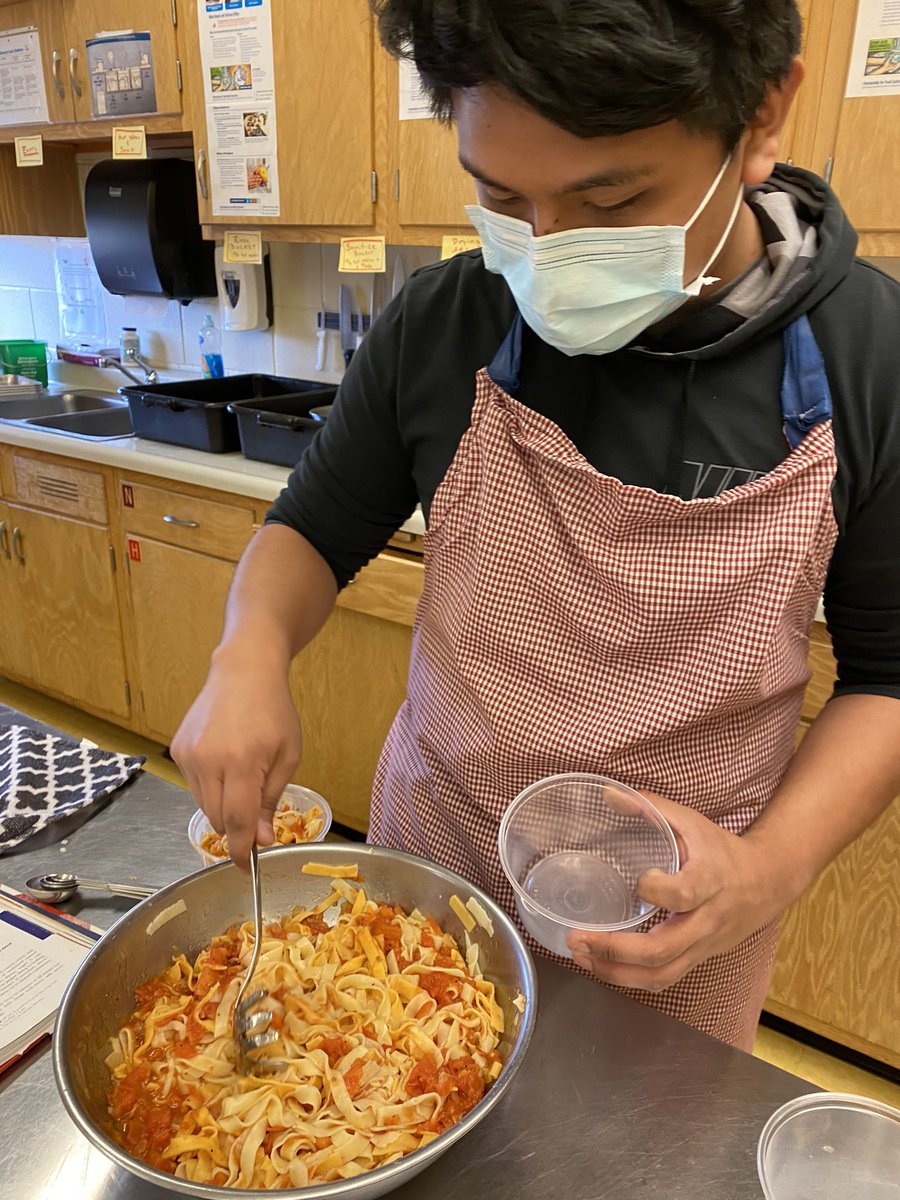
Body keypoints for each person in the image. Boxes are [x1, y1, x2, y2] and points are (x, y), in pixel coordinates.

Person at [172, 0, 900, 1051]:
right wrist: (248, 654)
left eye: (610, 198)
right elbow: (311, 529)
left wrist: (764, 874)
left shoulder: (868, 360)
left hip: (675, 919)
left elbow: (886, 675)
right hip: (436, 872)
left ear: (762, 115)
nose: (549, 253)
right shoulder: (448, 322)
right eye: (503, 197)